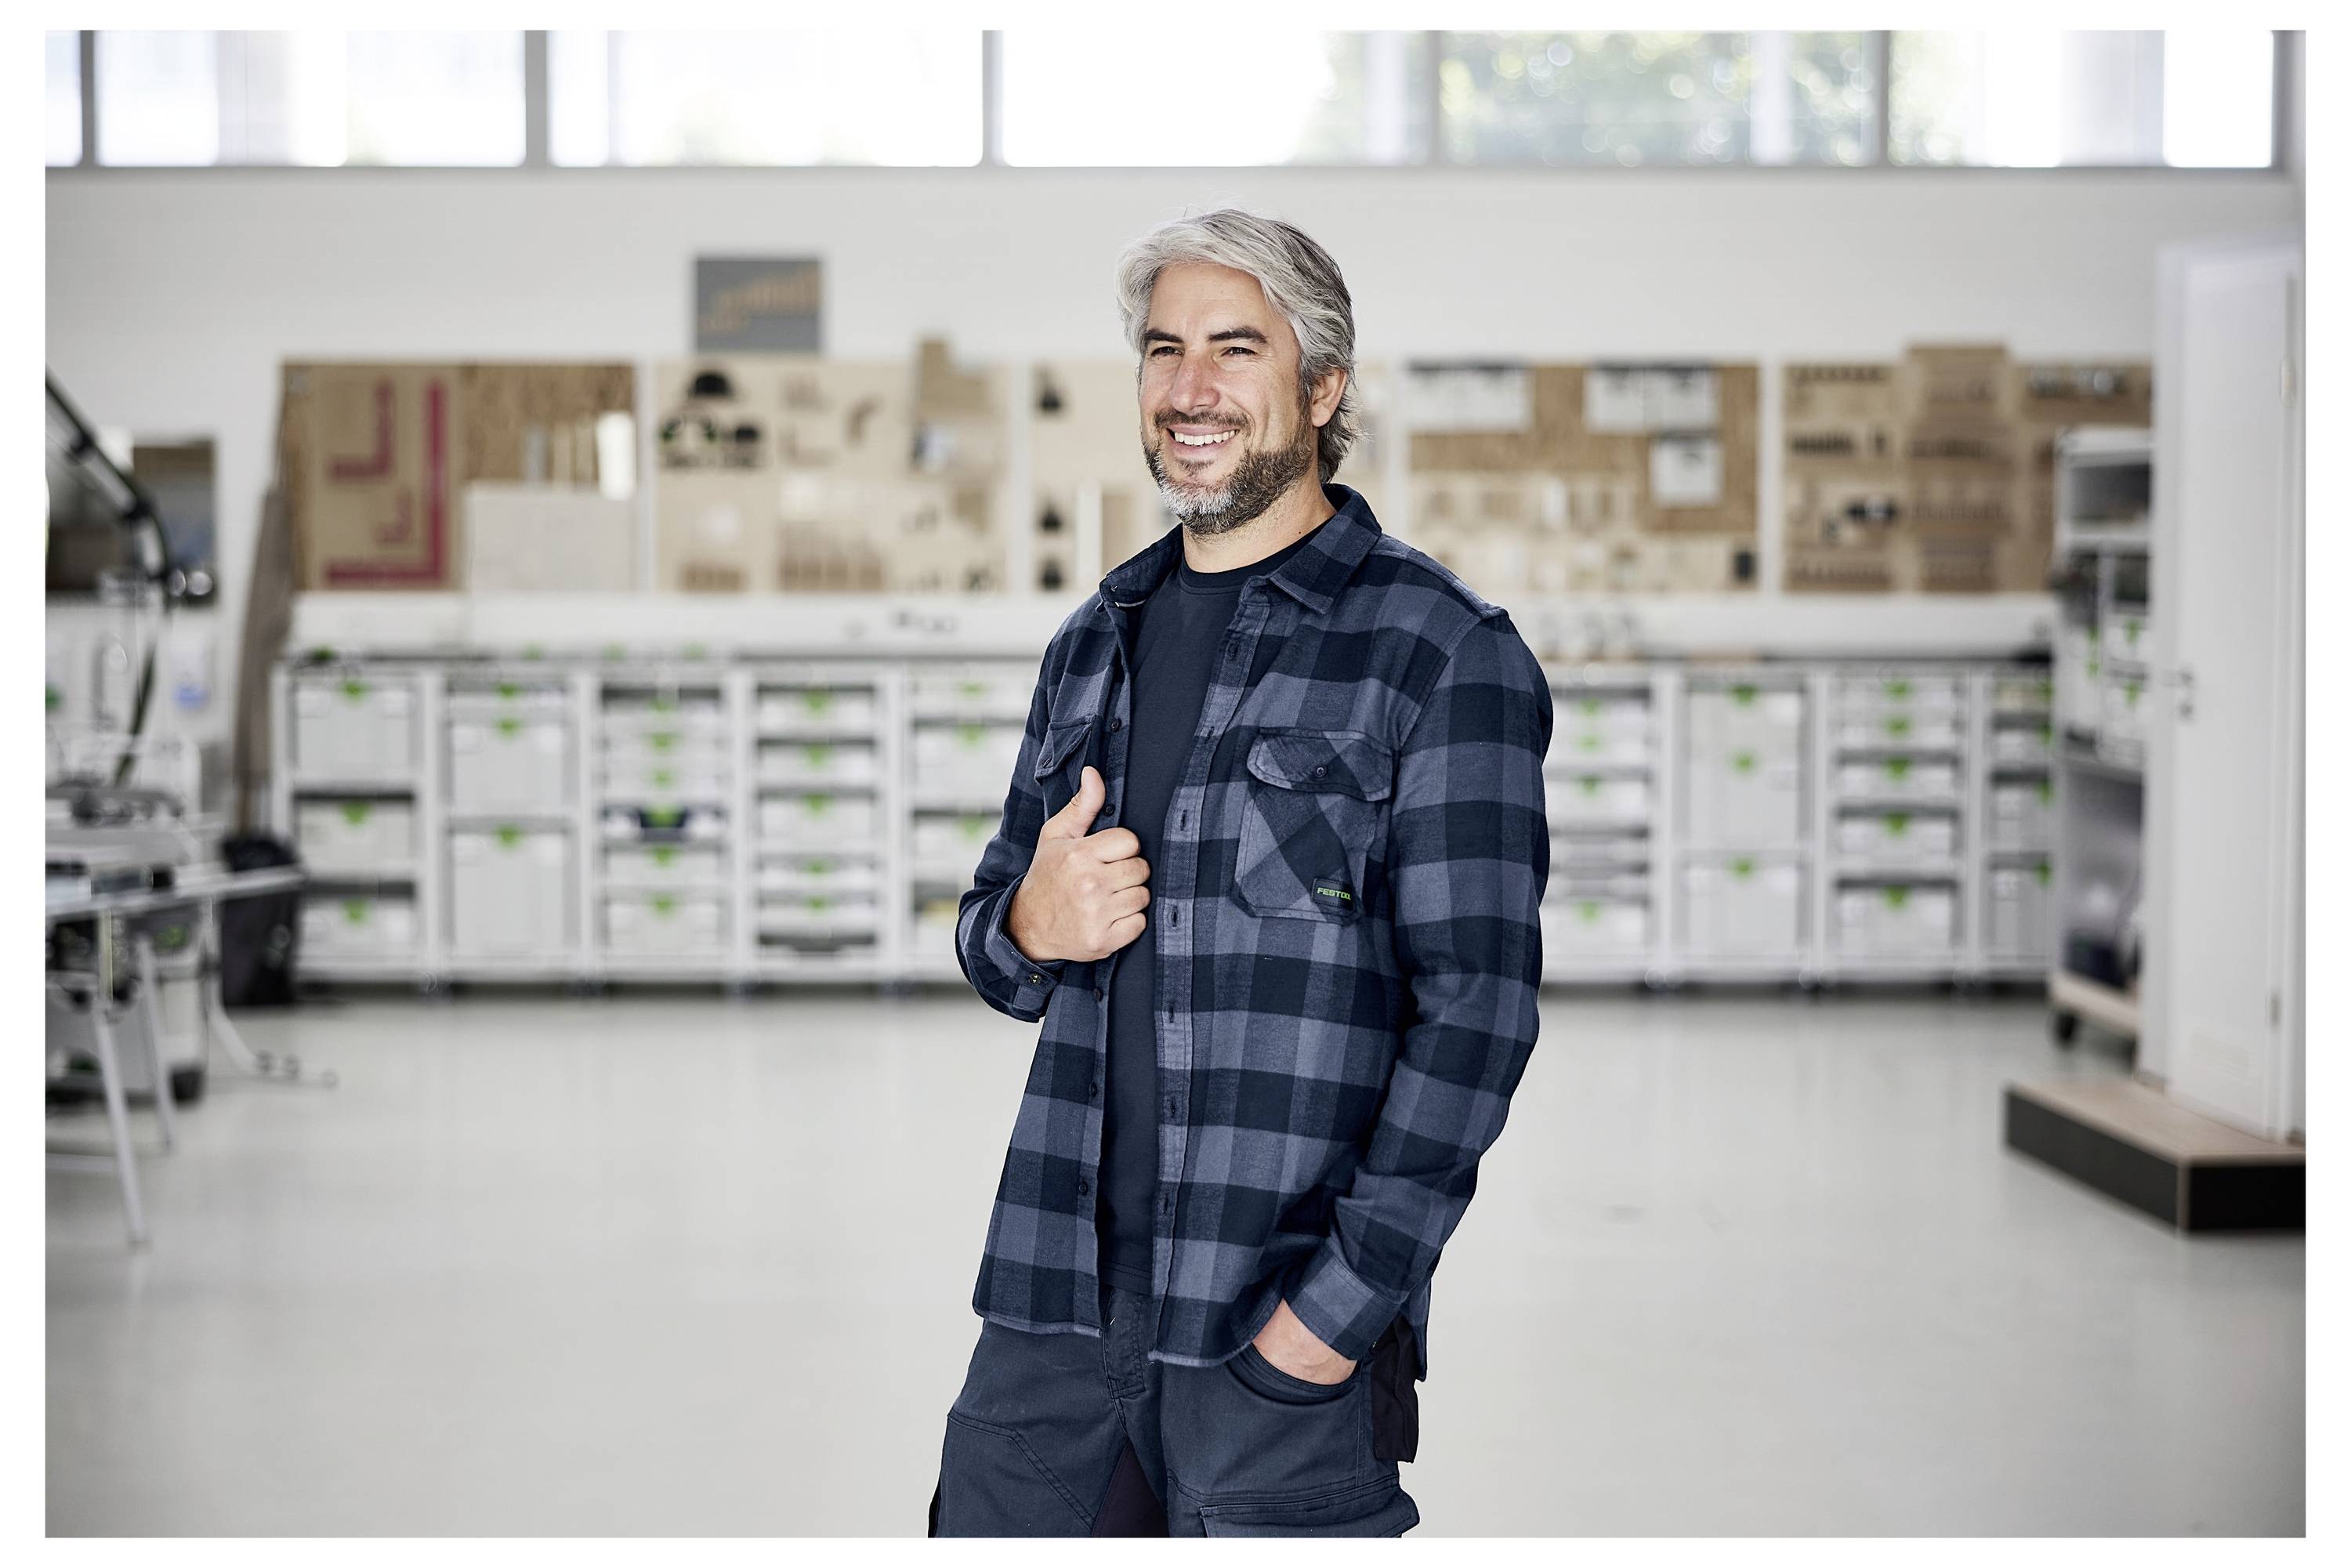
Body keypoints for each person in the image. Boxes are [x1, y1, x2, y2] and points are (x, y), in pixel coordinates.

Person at [930, 208, 1552, 1537]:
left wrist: (1333, 1317)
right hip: (1052, 1308)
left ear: (1322, 389)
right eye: (1163, 351)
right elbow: (993, 943)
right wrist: (1030, 920)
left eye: (1234, 349)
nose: (1189, 389)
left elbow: (1477, 1017)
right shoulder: (1094, 639)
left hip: (1270, 1325)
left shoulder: (1439, 652)